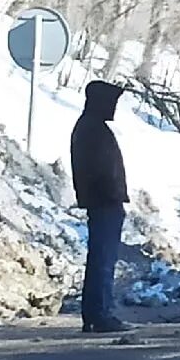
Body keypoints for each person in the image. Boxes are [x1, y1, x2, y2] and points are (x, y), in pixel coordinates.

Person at [71, 81, 132, 333]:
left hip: (103, 201)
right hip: (104, 202)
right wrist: (111, 193)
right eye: (111, 102)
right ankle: (101, 313)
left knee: (101, 259)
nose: (114, 107)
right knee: (103, 260)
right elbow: (99, 170)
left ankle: (95, 313)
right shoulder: (92, 129)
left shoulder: (91, 127)